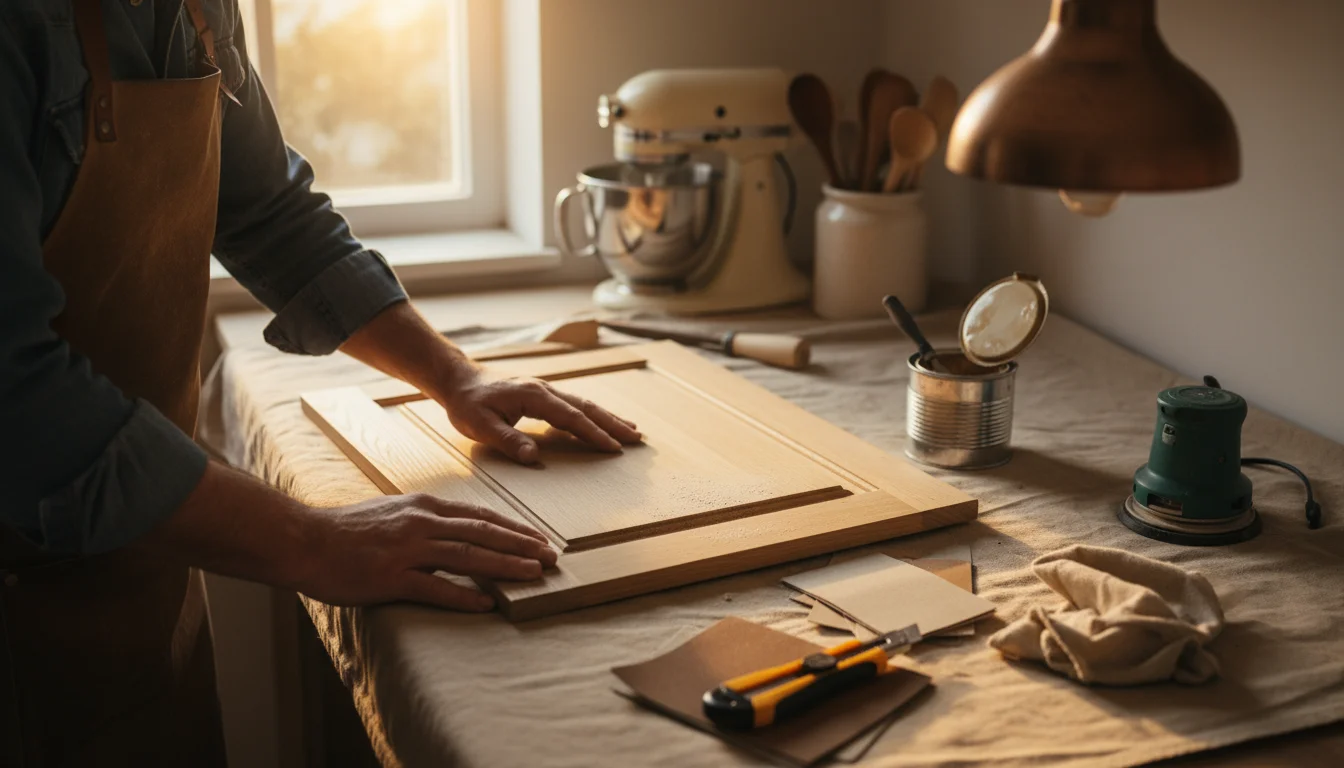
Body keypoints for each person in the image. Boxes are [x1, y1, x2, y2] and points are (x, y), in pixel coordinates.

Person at [0, 0, 641, 763]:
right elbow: (19, 401)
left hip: (143, 556)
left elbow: (270, 212)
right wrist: (315, 541)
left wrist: (453, 374)